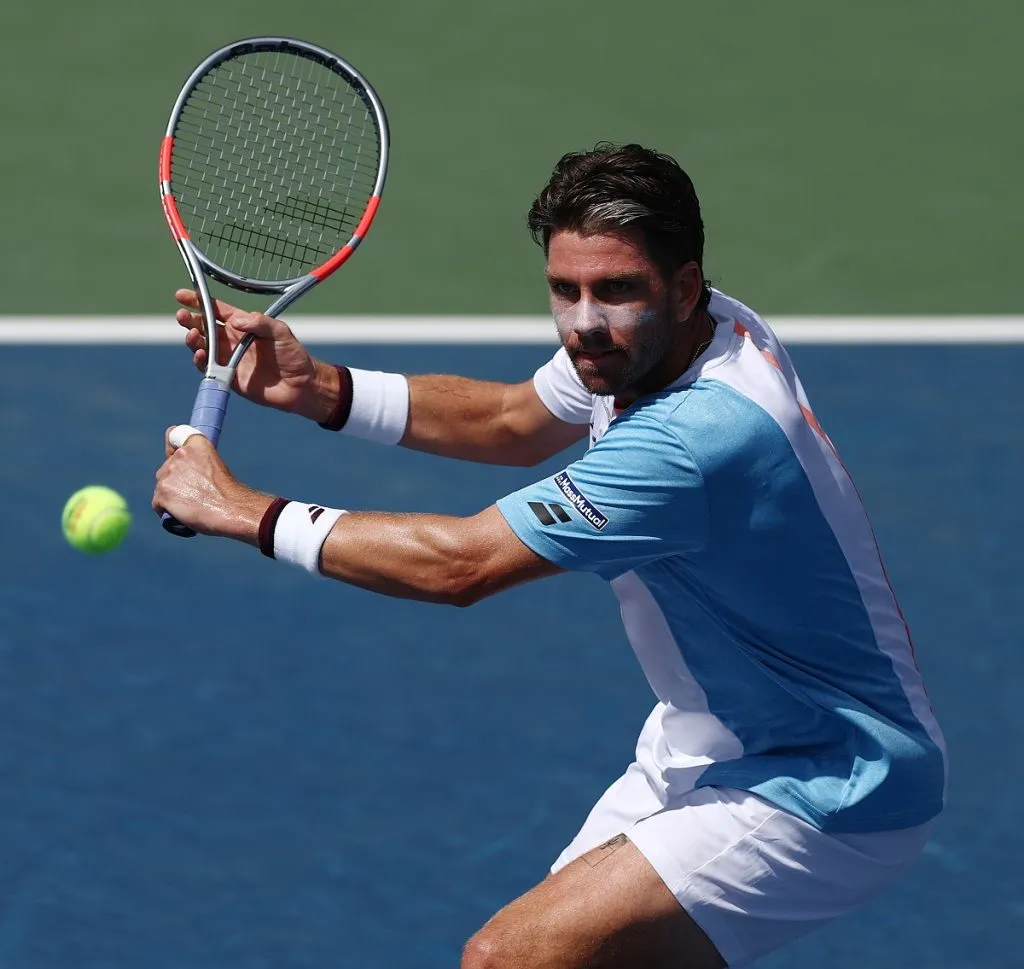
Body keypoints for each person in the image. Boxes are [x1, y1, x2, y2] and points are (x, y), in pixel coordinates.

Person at [152, 143, 947, 969]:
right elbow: (514, 421)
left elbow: (459, 565)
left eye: (616, 291)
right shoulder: (691, 334)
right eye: (564, 290)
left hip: (829, 780)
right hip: (705, 741)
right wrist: (324, 390)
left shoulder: (696, 439)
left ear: (683, 286)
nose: (583, 322)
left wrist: (240, 510)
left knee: (510, 957)